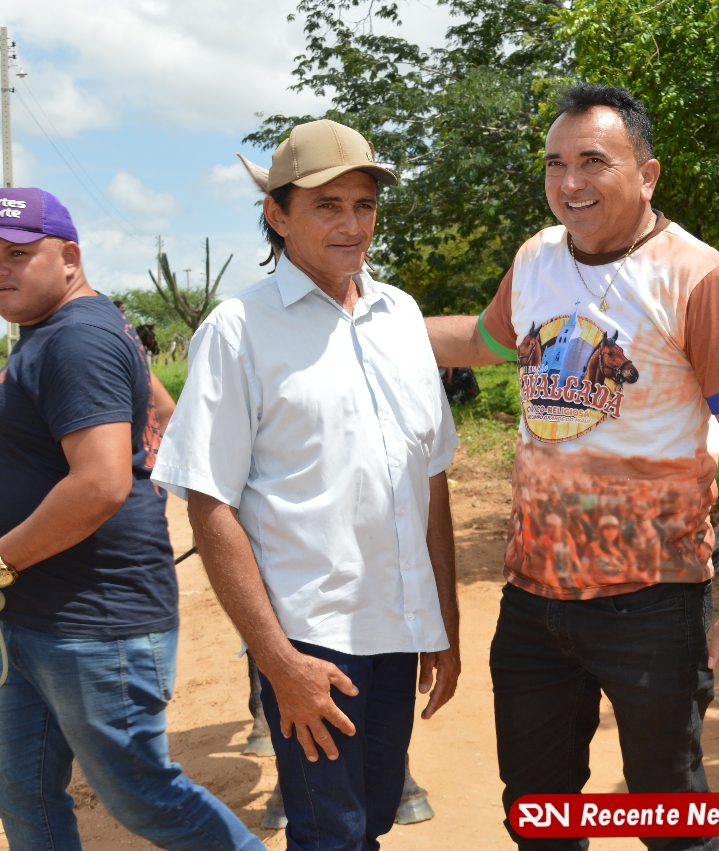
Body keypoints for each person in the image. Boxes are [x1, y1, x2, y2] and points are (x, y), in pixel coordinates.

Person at [426, 82, 719, 850]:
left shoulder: (698, 276)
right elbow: (482, 341)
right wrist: (371, 322)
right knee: (537, 811)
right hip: (532, 601)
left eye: (593, 161)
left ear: (647, 174)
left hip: (651, 603)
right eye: (555, 163)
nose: (570, 181)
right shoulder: (536, 258)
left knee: (669, 814)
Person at [151, 119, 462, 850]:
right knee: (330, 835)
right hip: (312, 640)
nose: (352, 225)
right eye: (327, 206)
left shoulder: (400, 316)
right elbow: (211, 506)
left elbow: (431, 477)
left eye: (364, 205)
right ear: (278, 214)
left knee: (371, 819)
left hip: (398, 631)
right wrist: (278, 662)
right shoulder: (238, 331)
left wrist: (442, 623)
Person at [0, 187, 264, 851]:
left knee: (142, 795)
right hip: (39, 611)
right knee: (23, 788)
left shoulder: (76, 339)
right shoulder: (67, 330)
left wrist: (4, 559)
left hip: (94, 619)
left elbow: (100, 482)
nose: (2, 268)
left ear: (69, 257)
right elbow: (164, 415)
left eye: (17, 254)